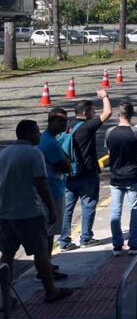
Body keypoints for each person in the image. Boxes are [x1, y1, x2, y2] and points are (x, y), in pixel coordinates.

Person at [0, 120, 72, 304]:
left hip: (6, 213)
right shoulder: (34, 153)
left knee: (7, 254)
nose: (39, 135)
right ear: (30, 133)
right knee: (41, 252)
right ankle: (51, 290)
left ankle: (4, 295)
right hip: (30, 212)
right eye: (37, 132)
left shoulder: (4, 153)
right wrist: (50, 209)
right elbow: (41, 183)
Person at [60, 89, 112, 251]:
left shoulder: (68, 126)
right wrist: (104, 96)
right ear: (84, 112)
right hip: (87, 173)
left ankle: (64, 241)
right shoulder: (87, 127)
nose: (94, 112)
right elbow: (108, 112)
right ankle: (86, 238)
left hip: (70, 173)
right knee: (88, 204)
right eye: (91, 110)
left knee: (68, 207)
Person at [105, 102, 137, 255]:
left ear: (118, 114)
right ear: (132, 114)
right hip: (133, 174)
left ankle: (117, 245)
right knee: (134, 209)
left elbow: (109, 152)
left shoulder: (109, 132)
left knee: (115, 210)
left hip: (116, 175)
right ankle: (134, 243)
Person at [36, 108, 70, 279]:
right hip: (52, 191)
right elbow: (66, 166)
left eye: (66, 121)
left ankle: (46, 266)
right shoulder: (49, 142)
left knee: (48, 233)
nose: (64, 124)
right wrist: (67, 161)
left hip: (52, 189)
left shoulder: (48, 140)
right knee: (48, 233)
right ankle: (44, 270)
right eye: (60, 121)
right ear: (50, 121)